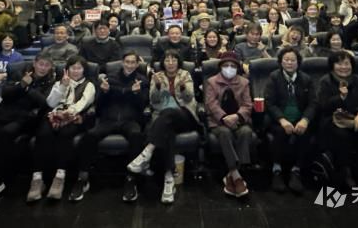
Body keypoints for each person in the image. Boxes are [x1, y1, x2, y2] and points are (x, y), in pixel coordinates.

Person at [0, 55, 55, 204]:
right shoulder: (19, 74)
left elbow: (44, 102)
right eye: (41, 64)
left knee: (6, 134)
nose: (43, 68)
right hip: (2, 114)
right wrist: (22, 84)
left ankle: (2, 179)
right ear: (34, 63)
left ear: (50, 68)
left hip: (23, 118)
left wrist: (27, 88)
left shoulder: (50, 82)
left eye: (46, 65)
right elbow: (5, 94)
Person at [69, 52, 149, 203]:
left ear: (138, 64)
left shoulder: (142, 80)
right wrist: (105, 92)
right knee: (90, 136)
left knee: (136, 136)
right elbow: (99, 106)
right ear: (122, 63)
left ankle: (131, 179)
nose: (130, 65)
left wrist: (136, 94)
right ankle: (82, 178)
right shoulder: (110, 78)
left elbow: (143, 105)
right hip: (108, 119)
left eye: (133, 62)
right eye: (127, 62)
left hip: (130, 120)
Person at [127, 49, 199, 204]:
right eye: (167, 60)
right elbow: (153, 101)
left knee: (168, 113)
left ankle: (147, 152)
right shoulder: (157, 76)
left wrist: (182, 88)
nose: (170, 63)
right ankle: (169, 178)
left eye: (174, 60)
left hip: (184, 116)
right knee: (168, 131)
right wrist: (158, 87)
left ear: (178, 62)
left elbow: (189, 98)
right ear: (163, 63)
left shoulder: (185, 74)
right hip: (164, 120)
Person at [27, 55, 96, 202]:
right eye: (73, 68)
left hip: (74, 118)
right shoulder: (59, 82)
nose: (75, 71)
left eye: (79, 68)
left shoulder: (89, 85)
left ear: (84, 70)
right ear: (67, 69)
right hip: (54, 115)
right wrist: (62, 86)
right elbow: (51, 103)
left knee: (65, 133)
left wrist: (66, 113)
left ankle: (59, 177)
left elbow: (83, 104)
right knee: (42, 134)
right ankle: (37, 178)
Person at [317, 51, 358, 189]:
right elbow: (323, 107)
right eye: (339, 64)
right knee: (342, 136)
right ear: (333, 66)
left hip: (354, 119)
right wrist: (340, 98)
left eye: (346, 63)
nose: (343, 67)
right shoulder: (326, 81)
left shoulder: (357, 80)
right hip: (332, 120)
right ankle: (345, 172)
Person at [265, 47, 317, 194]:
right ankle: (277, 170)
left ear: (298, 62)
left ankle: (296, 170)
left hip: (299, 118)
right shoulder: (274, 77)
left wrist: (305, 120)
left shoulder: (306, 79)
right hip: (279, 119)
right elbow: (270, 103)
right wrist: (282, 120)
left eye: (293, 60)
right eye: (286, 60)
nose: (289, 63)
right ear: (281, 62)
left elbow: (313, 103)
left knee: (305, 132)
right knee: (279, 132)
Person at [204, 52, 253, 198]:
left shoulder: (244, 82)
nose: (229, 68)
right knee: (224, 132)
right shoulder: (212, 82)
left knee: (246, 131)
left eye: (233, 66)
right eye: (226, 65)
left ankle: (231, 176)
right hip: (218, 121)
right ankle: (236, 175)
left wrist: (237, 116)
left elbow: (248, 104)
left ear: (237, 68)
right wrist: (224, 117)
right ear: (220, 67)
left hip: (239, 120)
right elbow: (210, 104)